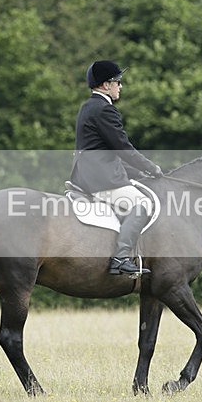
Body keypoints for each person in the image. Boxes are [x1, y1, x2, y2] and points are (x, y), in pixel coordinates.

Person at [71, 60, 163, 276]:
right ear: (105, 85)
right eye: (117, 82)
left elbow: (103, 151)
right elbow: (122, 147)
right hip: (101, 179)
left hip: (88, 174)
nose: (120, 86)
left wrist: (138, 173)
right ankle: (121, 258)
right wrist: (152, 167)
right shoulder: (105, 110)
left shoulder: (87, 107)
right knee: (142, 203)